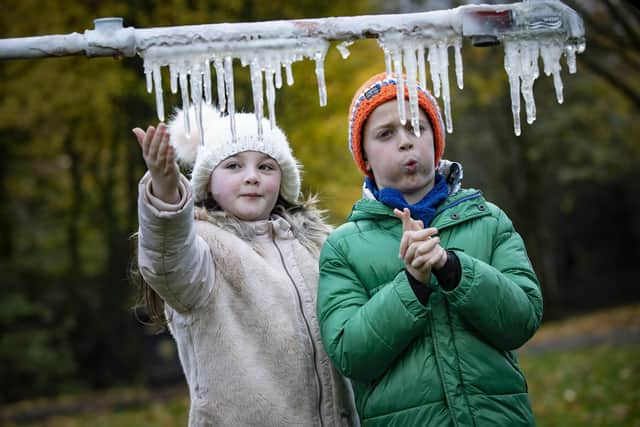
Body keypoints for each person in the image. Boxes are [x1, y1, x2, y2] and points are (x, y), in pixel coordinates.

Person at [316, 72, 543, 426]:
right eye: (385, 134)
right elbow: (350, 356)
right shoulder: (342, 247)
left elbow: (522, 319)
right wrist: (412, 285)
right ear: (364, 155)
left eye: (416, 128)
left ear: (436, 142)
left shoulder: (488, 219)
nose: (406, 142)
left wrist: (454, 269)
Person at [132, 104, 359, 426]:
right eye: (234, 166)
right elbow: (167, 262)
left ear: (284, 179)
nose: (251, 176)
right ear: (207, 181)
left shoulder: (317, 247)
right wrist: (167, 192)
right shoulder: (201, 248)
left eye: (266, 167)